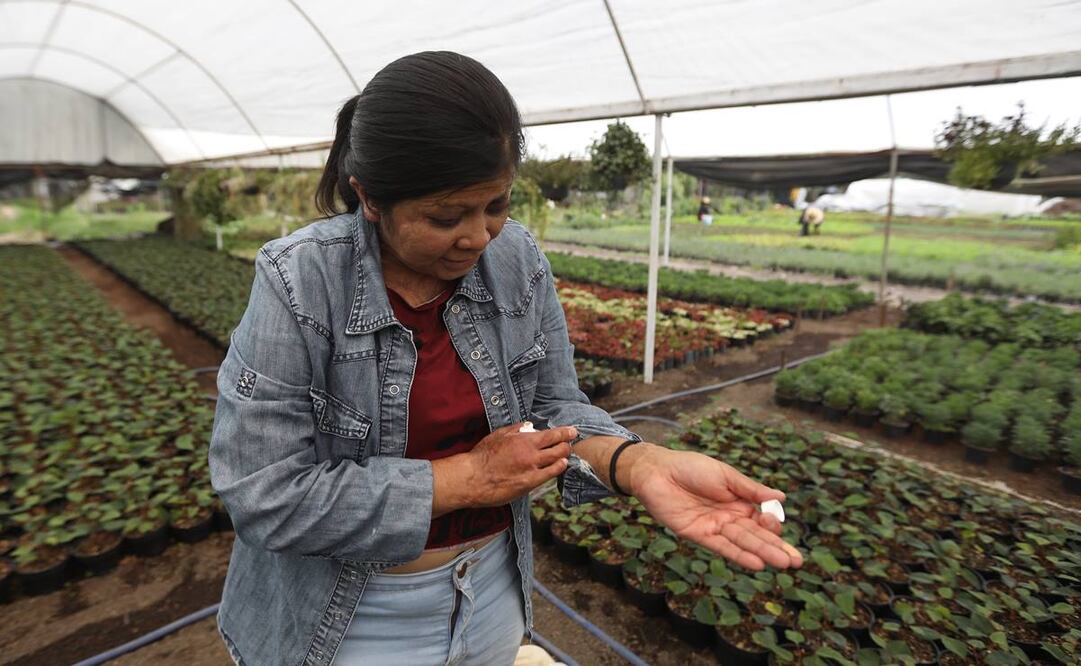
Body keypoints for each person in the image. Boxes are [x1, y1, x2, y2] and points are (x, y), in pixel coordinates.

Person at [208, 51, 802, 666]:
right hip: (347, 614)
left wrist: (638, 463)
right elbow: (264, 492)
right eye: (446, 216)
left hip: (491, 589)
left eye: (496, 205)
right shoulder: (300, 280)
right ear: (370, 198)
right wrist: (468, 477)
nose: (479, 236)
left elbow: (553, 406)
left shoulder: (515, 257)